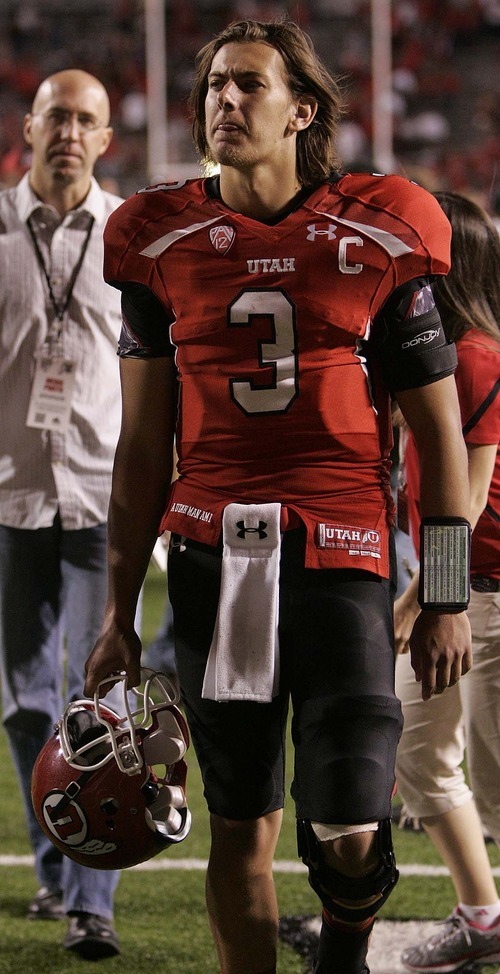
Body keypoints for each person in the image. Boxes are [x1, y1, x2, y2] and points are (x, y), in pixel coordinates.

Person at [84, 20, 472, 974]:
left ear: (301, 109)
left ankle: (342, 955)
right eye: (215, 84)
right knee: (239, 823)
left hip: (343, 554)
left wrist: (450, 591)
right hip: (215, 559)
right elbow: (141, 450)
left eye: (248, 85)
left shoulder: (377, 226)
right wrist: (117, 612)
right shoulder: (159, 237)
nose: (225, 101)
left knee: (348, 817)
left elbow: (440, 434)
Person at [0, 69, 124, 959]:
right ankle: (54, 864)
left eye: (86, 120)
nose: (69, 132)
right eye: (57, 116)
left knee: (98, 703)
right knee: (21, 703)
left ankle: (94, 900)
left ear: (105, 138)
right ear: (29, 126)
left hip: (97, 498)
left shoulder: (129, 236)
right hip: (8, 497)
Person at [393, 192, 500, 973]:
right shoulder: (431, 343)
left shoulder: (478, 355)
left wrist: (424, 597)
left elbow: (464, 498)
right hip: (453, 586)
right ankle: (482, 915)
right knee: (419, 750)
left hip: (484, 593)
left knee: (497, 785)